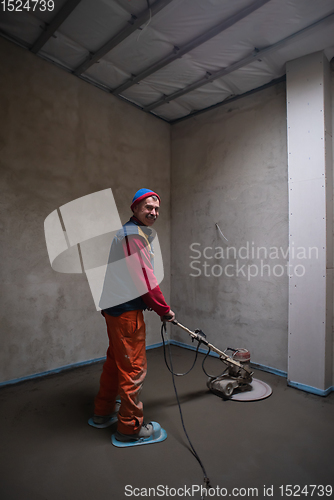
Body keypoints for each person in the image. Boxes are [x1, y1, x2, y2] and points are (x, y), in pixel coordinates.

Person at [92, 188, 175, 443]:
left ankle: (103, 412)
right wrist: (164, 309)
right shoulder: (133, 236)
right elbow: (145, 280)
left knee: (116, 362)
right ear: (135, 208)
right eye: (148, 207)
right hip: (126, 313)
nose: (154, 212)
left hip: (115, 311)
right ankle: (130, 429)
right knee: (133, 369)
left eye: (157, 209)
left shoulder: (131, 233)